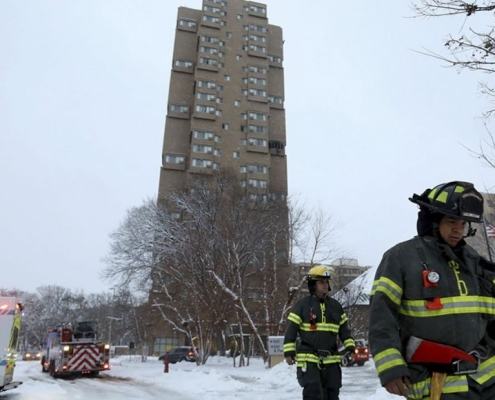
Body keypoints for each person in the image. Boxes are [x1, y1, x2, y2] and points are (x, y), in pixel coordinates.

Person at [369, 181, 495, 400]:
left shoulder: (475, 261)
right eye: (452, 221)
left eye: (464, 223)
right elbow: (382, 316)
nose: (459, 228)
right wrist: (390, 367)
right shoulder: (401, 257)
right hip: (437, 385)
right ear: (433, 221)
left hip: (485, 382)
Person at [284, 265, 355, 400]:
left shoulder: (336, 306)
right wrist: (289, 352)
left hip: (332, 360)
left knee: (332, 394)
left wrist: (350, 346)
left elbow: (345, 330)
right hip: (309, 360)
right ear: (313, 285)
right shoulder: (302, 306)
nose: (325, 285)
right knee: (313, 393)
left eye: (326, 282)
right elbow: (291, 330)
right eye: (321, 282)